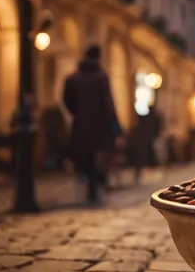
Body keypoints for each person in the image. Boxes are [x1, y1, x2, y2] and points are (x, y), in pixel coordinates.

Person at [63, 45, 120, 204]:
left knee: (83, 156)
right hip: (99, 126)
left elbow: (67, 101)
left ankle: (86, 187)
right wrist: (114, 126)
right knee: (97, 157)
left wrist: (77, 113)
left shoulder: (73, 78)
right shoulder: (101, 77)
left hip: (81, 124)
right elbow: (108, 103)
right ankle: (94, 188)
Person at [130, 104, 163, 184]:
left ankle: (146, 171)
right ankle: (148, 171)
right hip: (148, 138)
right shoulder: (152, 117)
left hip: (147, 139)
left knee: (146, 155)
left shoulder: (148, 118)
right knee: (146, 155)